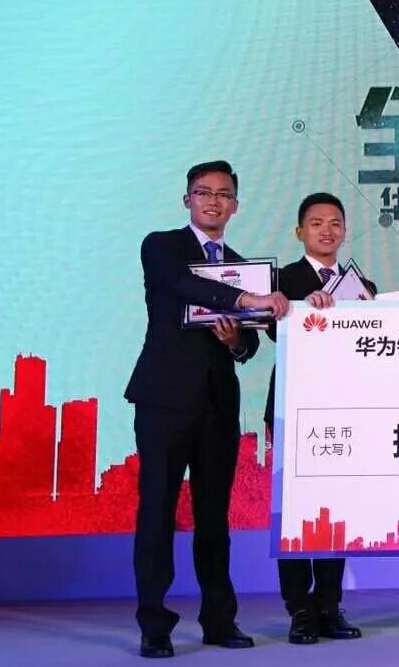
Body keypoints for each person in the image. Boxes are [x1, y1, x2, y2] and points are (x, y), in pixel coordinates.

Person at [125, 160, 290, 659]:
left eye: (223, 194)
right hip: (163, 401)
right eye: (203, 192)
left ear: (235, 205)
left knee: (214, 519)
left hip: (218, 407)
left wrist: (237, 339)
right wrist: (245, 297)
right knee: (157, 512)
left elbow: (250, 345)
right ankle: (154, 625)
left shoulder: (242, 266)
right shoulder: (162, 246)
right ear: (187, 200)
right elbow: (185, 284)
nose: (213, 201)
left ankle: (219, 620)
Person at [263, 193, 373, 645]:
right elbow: (270, 328)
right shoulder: (281, 280)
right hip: (292, 406)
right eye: (316, 223)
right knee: (296, 512)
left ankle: (329, 604)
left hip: (342, 406)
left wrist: (372, 311)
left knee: (334, 510)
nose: (327, 231)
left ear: (344, 231)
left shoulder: (361, 283)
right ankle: (300, 609)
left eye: (335, 223)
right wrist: (301, 306)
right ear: (299, 231)